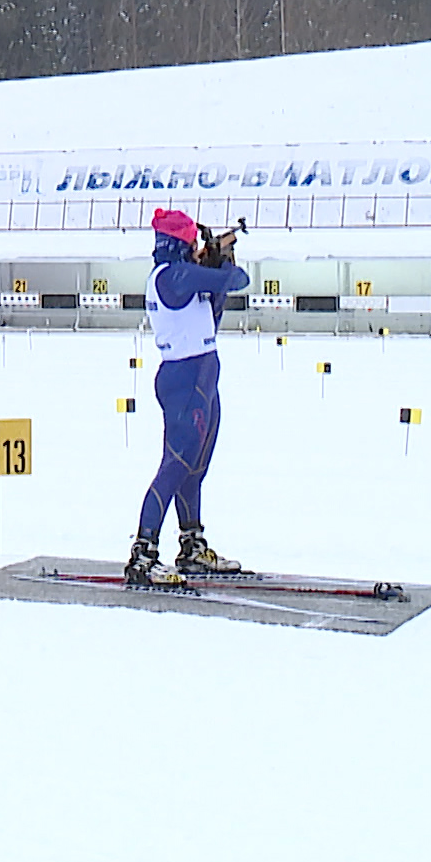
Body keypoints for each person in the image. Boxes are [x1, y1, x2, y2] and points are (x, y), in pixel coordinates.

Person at [127, 208, 251, 587]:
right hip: (185, 379)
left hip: (201, 375)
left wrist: (217, 265)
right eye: (193, 243)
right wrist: (219, 264)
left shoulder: (181, 277)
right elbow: (237, 279)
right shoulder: (173, 276)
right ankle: (143, 553)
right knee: (175, 466)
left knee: (193, 470)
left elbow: (212, 315)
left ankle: (191, 545)